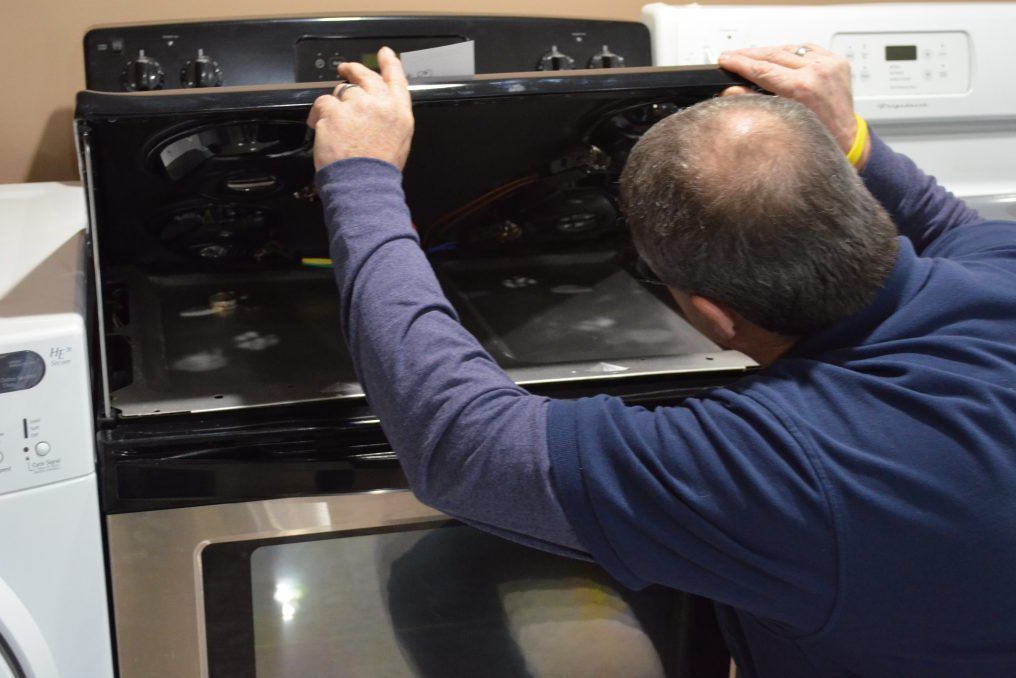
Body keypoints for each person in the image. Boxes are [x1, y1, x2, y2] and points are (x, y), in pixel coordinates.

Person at [307, 44, 1016, 677]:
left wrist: (362, 182)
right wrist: (854, 138)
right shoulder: (1000, 267)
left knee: (437, 569)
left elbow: (465, 446)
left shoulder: (787, 466)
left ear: (713, 318)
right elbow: (956, 229)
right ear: (857, 206)